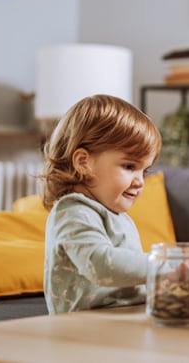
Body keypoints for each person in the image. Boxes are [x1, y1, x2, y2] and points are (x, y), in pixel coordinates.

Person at [42, 94, 162, 314]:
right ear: (83, 162)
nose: (140, 181)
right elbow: (101, 264)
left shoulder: (118, 216)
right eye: (129, 166)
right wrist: (166, 266)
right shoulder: (72, 211)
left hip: (122, 320)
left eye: (144, 171)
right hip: (83, 330)